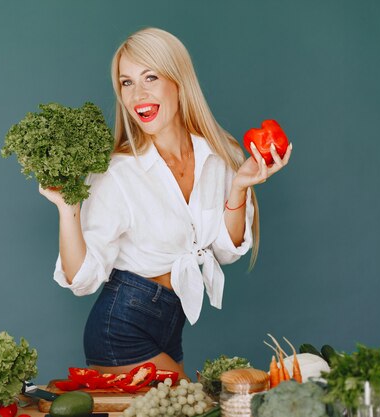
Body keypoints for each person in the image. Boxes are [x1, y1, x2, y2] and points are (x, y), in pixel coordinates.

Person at [39, 27, 292, 379]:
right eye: (126, 83)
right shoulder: (117, 172)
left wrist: (239, 189)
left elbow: (226, 250)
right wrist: (68, 209)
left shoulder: (221, 155)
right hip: (121, 326)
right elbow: (82, 279)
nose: (138, 94)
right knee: (192, 407)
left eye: (150, 77)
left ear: (178, 81)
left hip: (170, 325)